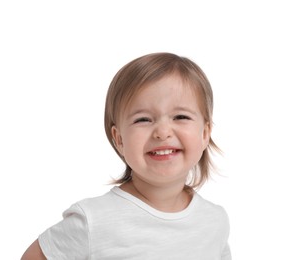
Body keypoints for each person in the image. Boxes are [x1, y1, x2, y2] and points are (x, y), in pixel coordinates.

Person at [21, 52, 231, 260]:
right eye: (143, 119)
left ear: (205, 133)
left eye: (181, 116)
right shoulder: (93, 221)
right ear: (119, 139)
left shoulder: (215, 221)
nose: (163, 132)